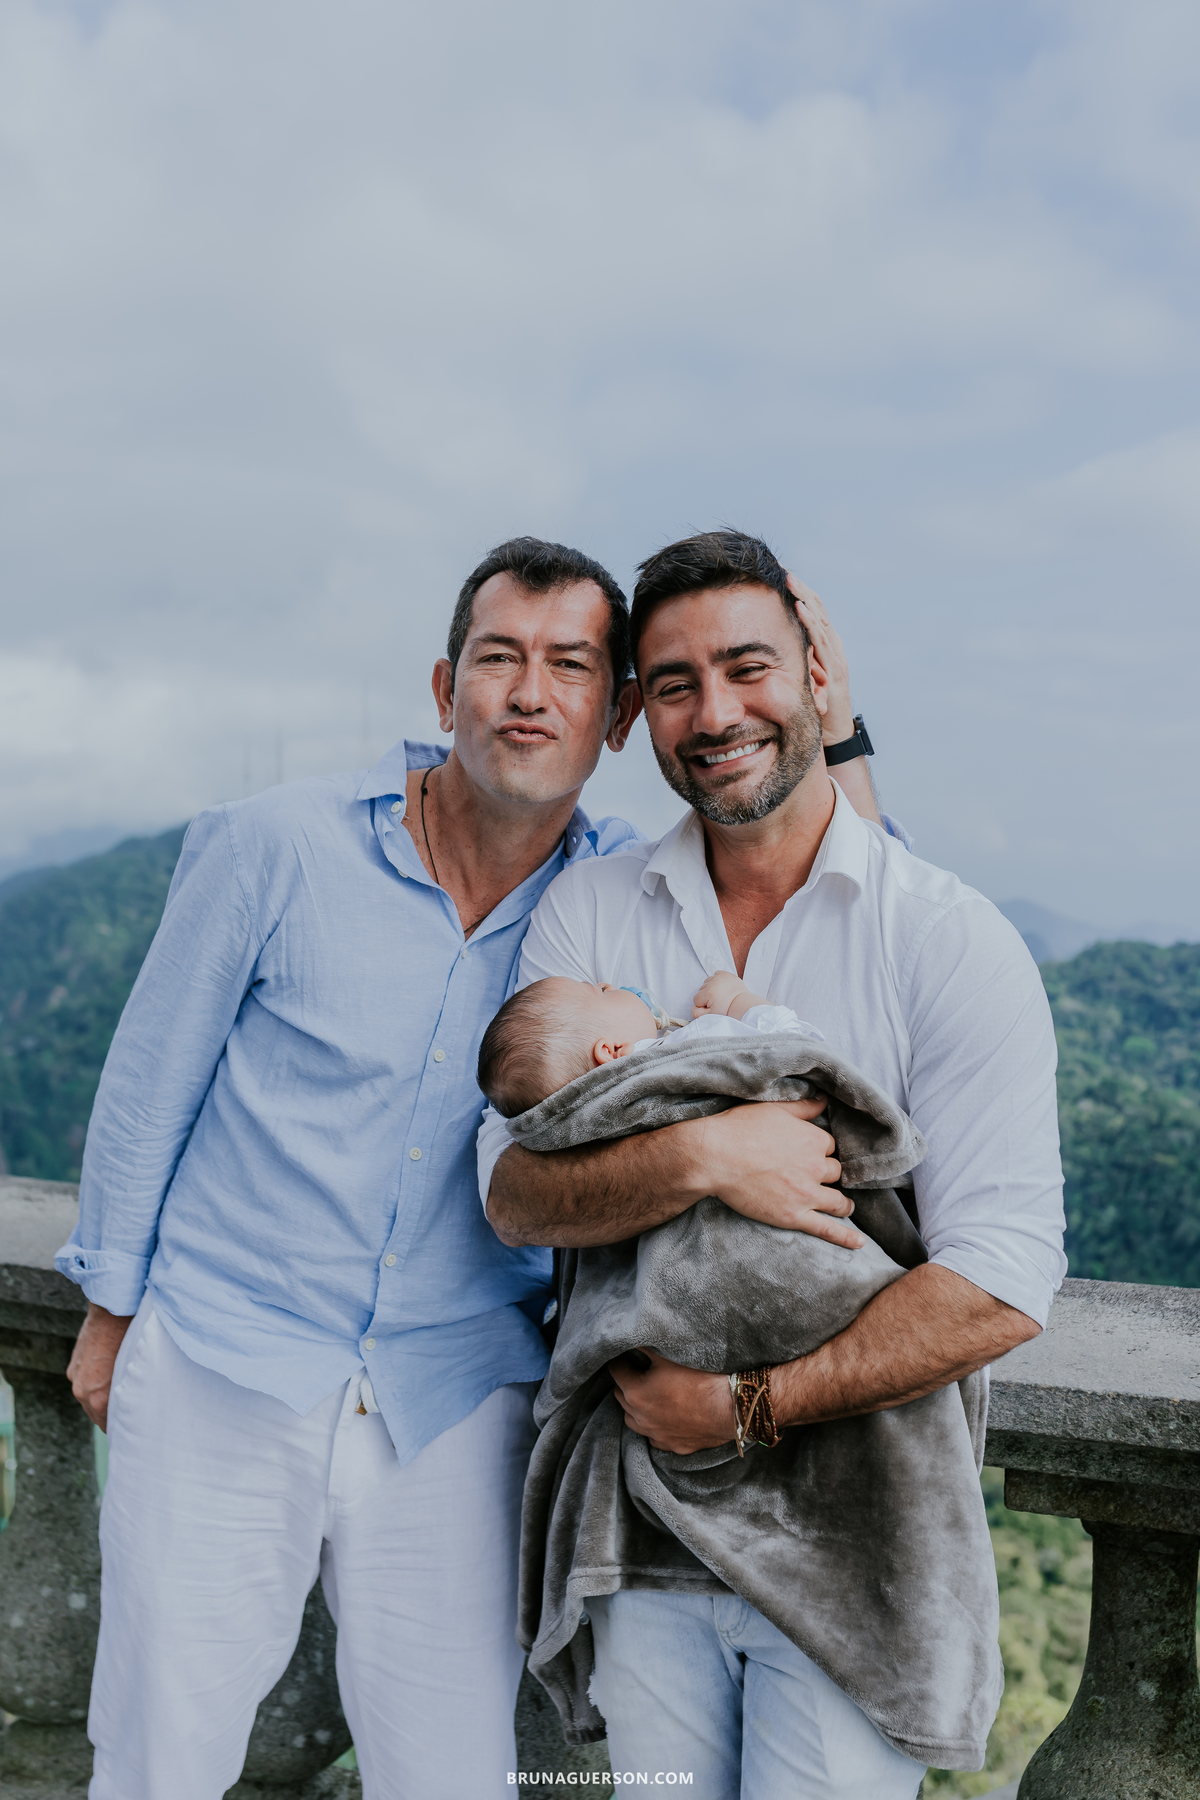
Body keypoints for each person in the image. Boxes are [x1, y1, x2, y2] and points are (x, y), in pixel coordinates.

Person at [57, 532, 886, 1800]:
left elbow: (856, 910)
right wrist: (111, 1314)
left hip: (455, 1400)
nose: (527, 692)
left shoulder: (614, 907)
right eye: (498, 658)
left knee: (449, 1774)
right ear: (445, 690)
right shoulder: (269, 845)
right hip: (228, 1358)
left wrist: (836, 713)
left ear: (613, 719)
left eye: (568, 665)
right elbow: (145, 1085)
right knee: (157, 1756)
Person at [481, 529, 1066, 1799]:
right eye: (677, 682)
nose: (717, 711)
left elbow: (1007, 1275)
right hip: (646, 1530)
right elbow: (517, 1188)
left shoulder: (946, 940)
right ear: (642, 715)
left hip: (852, 1541)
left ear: (815, 673)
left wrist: (743, 1405)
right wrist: (703, 1152)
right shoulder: (595, 914)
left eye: (748, 667)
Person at [476, 971, 831, 1125]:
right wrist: (738, 1000)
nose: (606, 983)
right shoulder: (690, 1048)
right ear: (612, 1051)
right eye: (598, 992)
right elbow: (802, 1051)